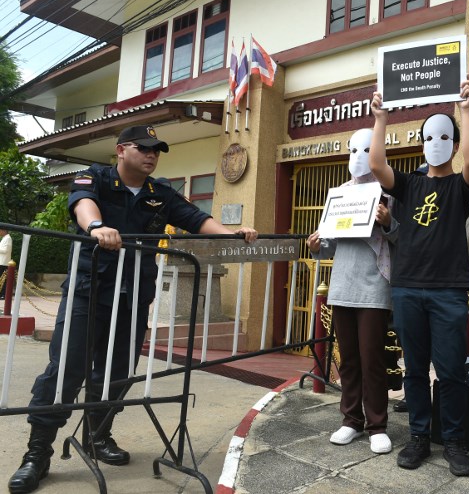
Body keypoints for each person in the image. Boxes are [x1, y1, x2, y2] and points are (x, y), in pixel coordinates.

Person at [8, 125, 258, 494]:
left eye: (156, 150)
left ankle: (98, 436)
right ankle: (37, 454)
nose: (151, 155)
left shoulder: (162, 193)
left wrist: (231, 234)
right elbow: (82, 204)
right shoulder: (94, 177)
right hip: (88, 292)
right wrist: (96, 226)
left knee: (118, 372)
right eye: (143, 148)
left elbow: (195, 219)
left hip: (133, 297)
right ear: (122, 149)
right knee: (66, 370)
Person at [368, 78, 469, 477]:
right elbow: (377, 164)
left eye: (445, 136)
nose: (437, 142)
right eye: (429, 136)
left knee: (450, 370)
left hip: (449, 291)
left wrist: (465, 110)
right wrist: (380, 118)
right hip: (408, 289)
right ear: (421, 144)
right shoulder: (409, 183)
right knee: (414, 369)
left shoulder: (461, 186)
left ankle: (453, 440)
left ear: (452, 143)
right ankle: (419, 435)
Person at [306, 128, 398, 455]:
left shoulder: (389, 192)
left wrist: (388, 222)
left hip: (374, 286)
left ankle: (377, 424)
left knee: (373, 357)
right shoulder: (340, 194)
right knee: (348, 360)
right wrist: (316, 244)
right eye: (352, 149)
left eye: (365, 149)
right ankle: (350, 420)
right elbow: (327, 246)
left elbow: (403, 238)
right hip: (342, 285)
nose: (358, 156)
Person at [0, 228, 11, 300]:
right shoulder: (5, 238)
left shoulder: (8, 238)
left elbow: (5, 250)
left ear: (4, 231)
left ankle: (3, 295)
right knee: (2, 279)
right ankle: (2, 294)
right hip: (1, 262)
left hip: (4, 262)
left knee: (3, 279)